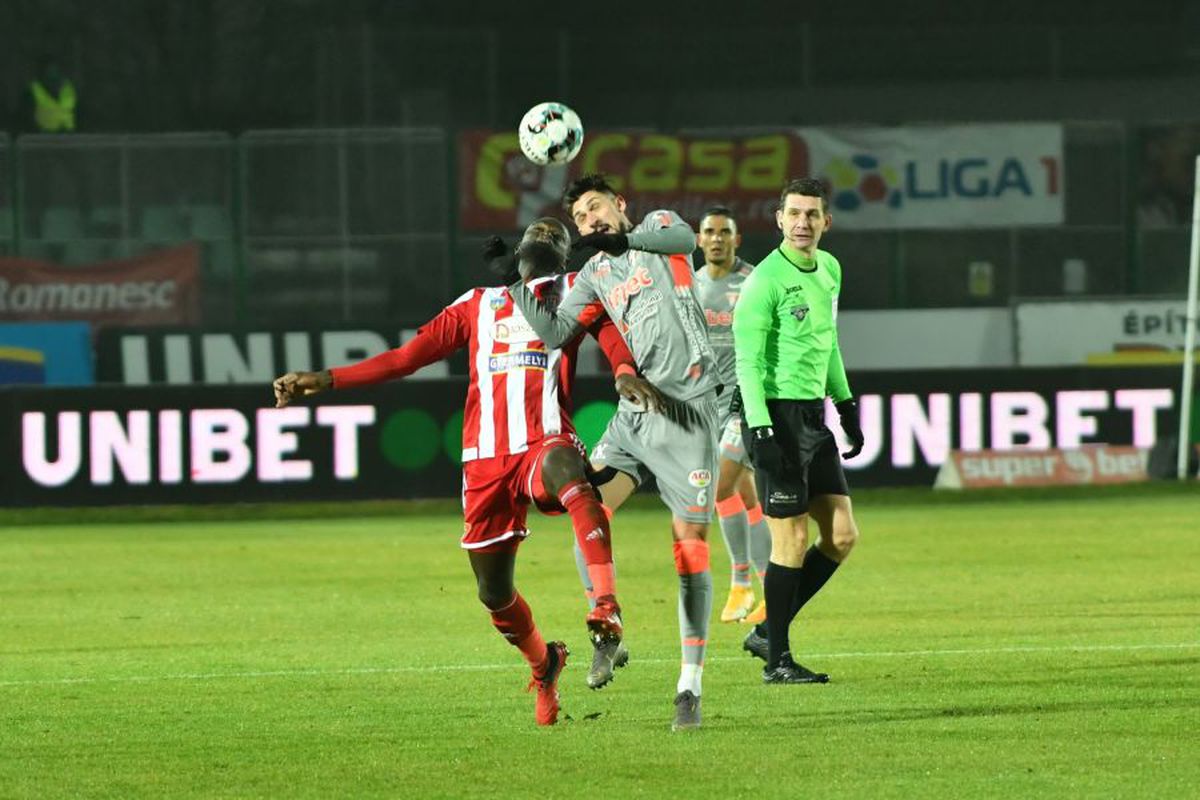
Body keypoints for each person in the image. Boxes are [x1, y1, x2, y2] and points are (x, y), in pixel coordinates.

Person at [273, 217, 662, 726]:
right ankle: (544, 664)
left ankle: (606, 607)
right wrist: (326, 379)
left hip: (542, 439)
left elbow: (610, 335)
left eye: (557, 233)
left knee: (570, 474)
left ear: (565, 255)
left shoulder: (574, 290)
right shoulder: (476, 303)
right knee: (493, 593)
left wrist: (625, 372)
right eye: (538, 229)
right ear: (519, 249)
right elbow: (405, 358)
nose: (546, 232)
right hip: (485, 460)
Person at [509, 173, 721, 732]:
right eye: (580, 217)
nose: (589, 220)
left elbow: (686, 241)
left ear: (620, 204)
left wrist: (625, 239)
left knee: (690, 550)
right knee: (589, 512)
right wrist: (516, 283)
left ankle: (689, 686)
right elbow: (555, 333)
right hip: (635, 415)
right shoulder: (595, 273)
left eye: (595, 207)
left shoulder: (658, 227)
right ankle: (608, 624)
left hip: (688, 414)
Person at [731, 177, 865, 685]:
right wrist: (762, 432)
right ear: (779, 219)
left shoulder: (829, 268)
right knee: (791, 538)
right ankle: (778, 661)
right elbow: (746, 363)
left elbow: (828, 343)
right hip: (775, 416)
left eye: (812, 214)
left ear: (826, 221)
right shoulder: (764, 281)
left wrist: (845, 404)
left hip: (812, 415)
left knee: (842, 535)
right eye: (794, 213)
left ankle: (768, 630)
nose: (802, 223)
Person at [692, 206, 773, 626]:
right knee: (744, 495)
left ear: (737, 240)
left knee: (719, 487)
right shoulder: (691, 285)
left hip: (746, 404)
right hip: (709, 406)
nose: (717, 239)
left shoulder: (753, 281)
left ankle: (742, 582)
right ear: (699, 239)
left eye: (725, 232)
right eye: (710, 232)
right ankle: (765, 587)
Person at [29, 56, 77, 133]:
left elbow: (76, 111)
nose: (52, 72)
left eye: (55, 69)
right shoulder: (34, 88)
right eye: (49, 69)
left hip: (68, 135)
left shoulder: (68, 87)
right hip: (42, 135)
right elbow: (26, 115)